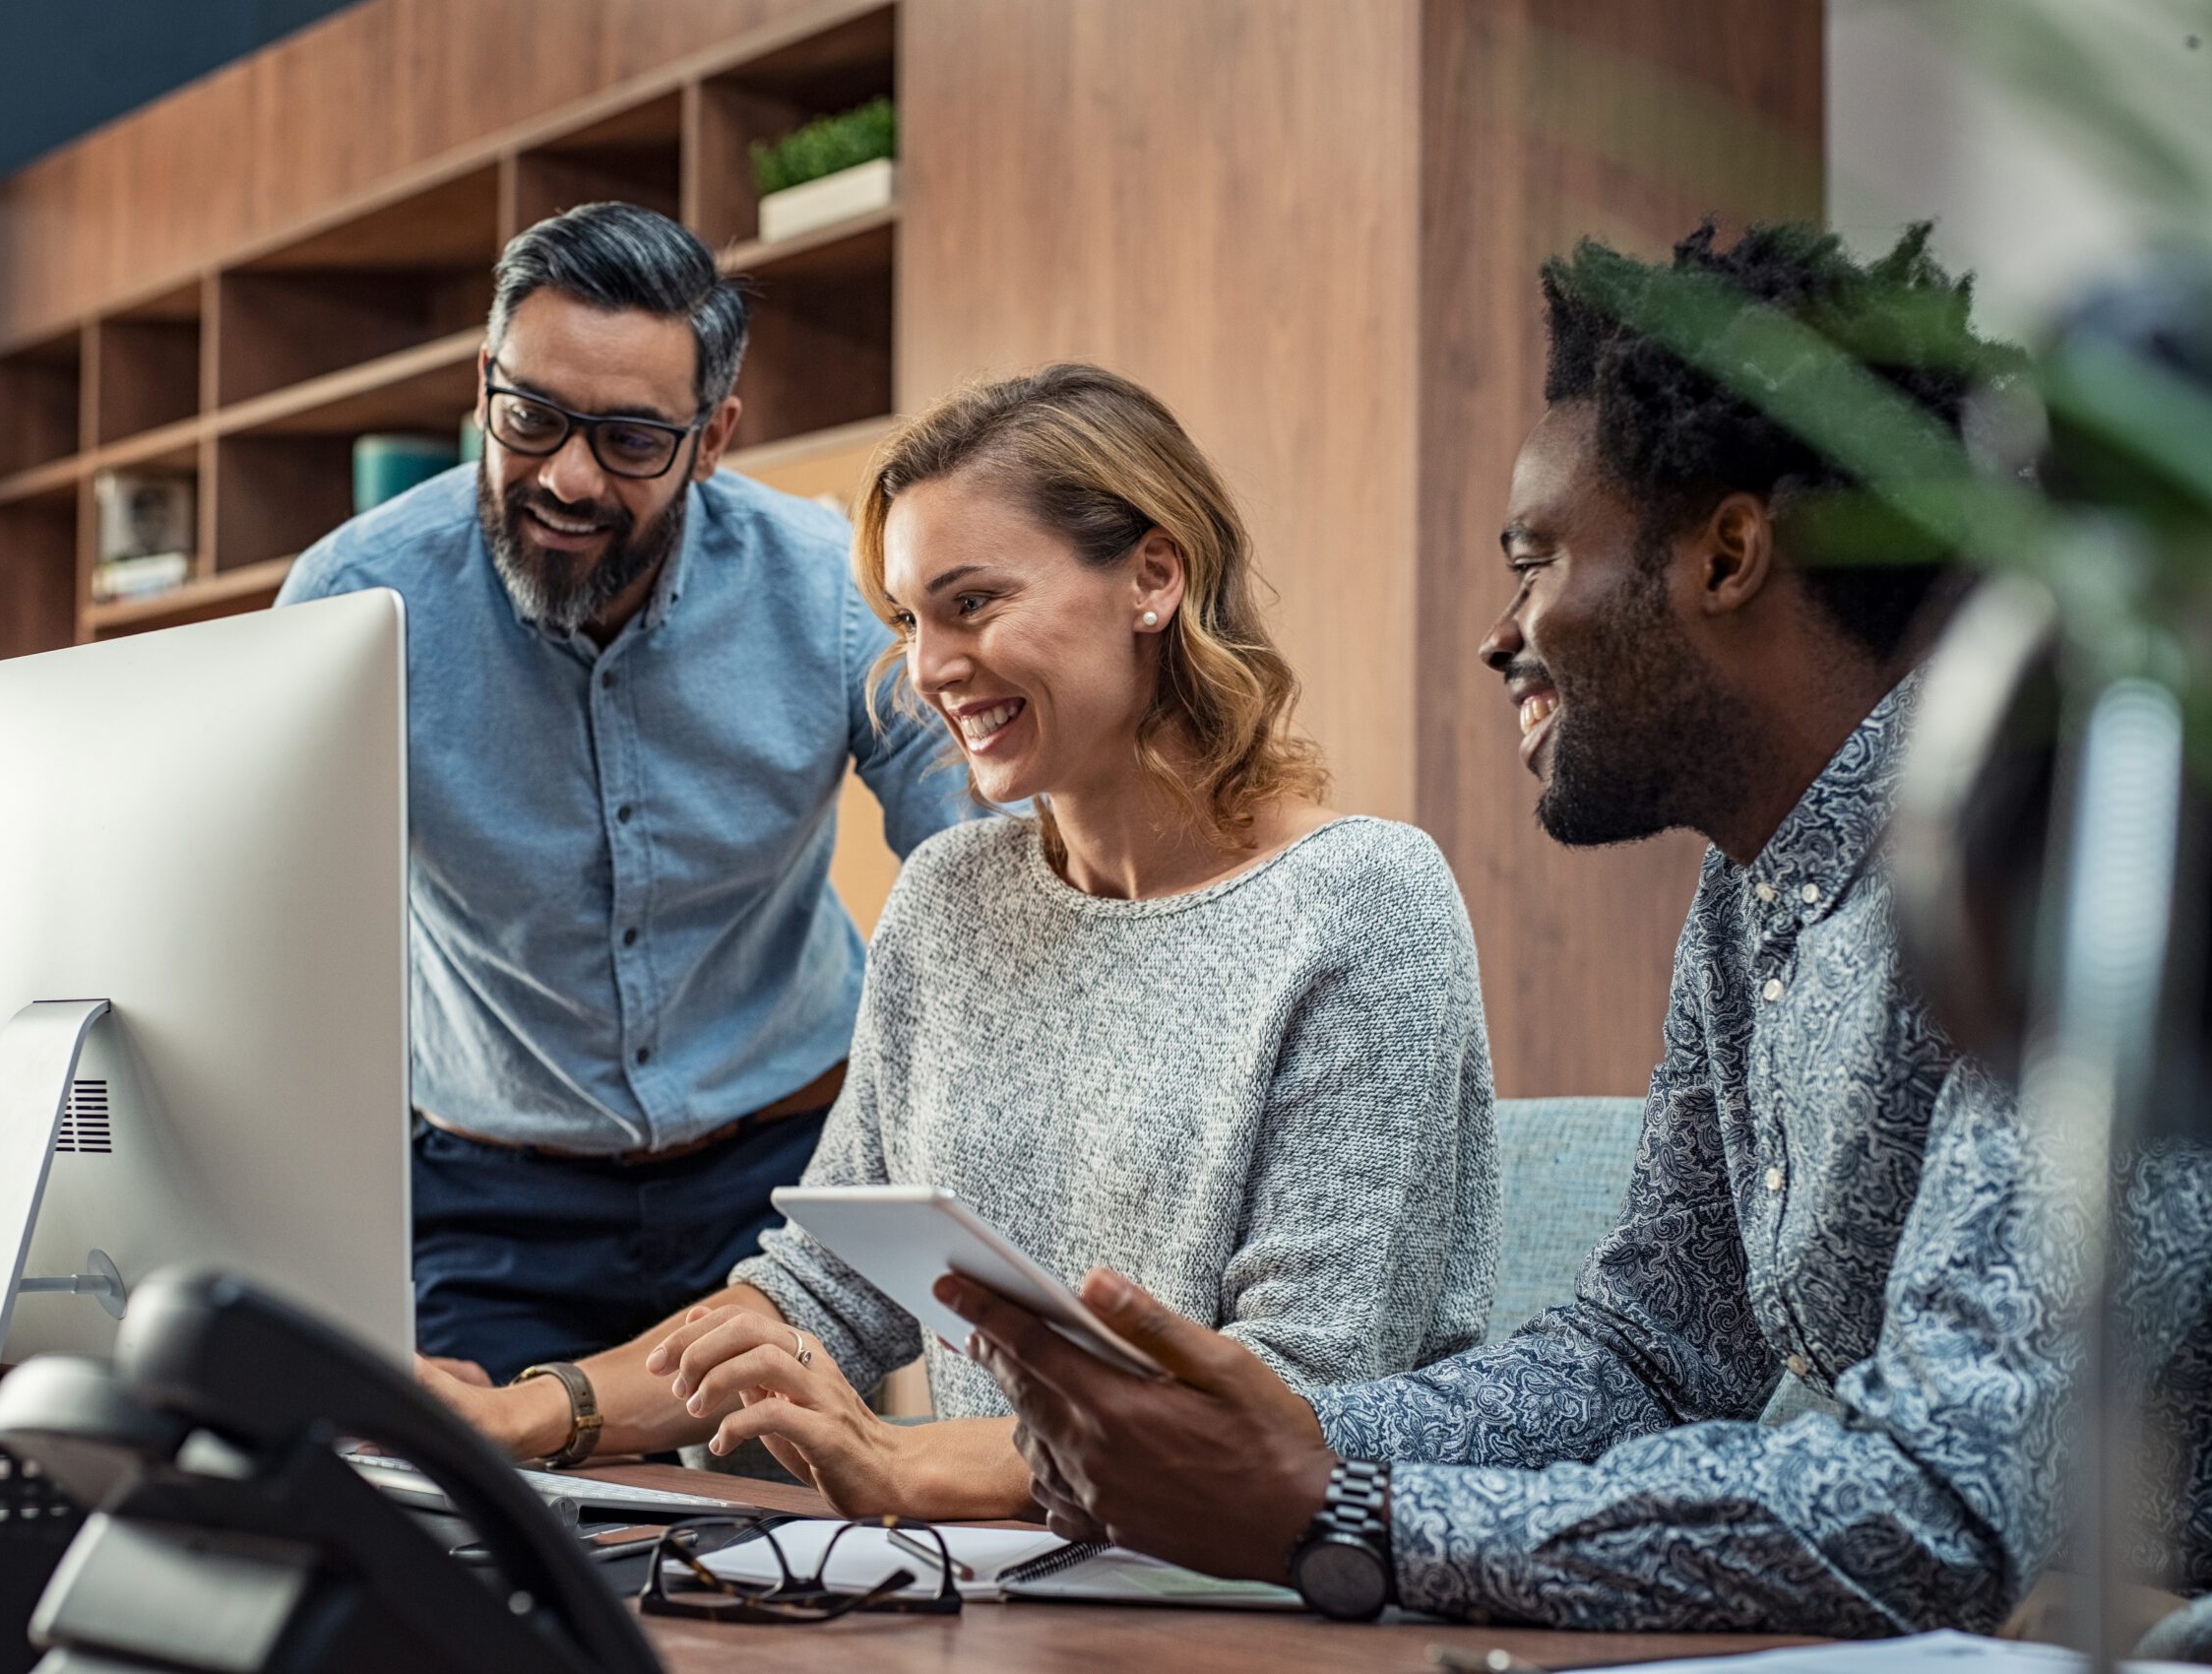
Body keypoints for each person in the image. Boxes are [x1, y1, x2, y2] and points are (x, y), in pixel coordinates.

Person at [944, 223, 2212, 1634]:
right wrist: (1268, 1442)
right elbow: (1652, 1357)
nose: (1504, 635)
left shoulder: (2065, 835)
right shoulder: (1752, 897)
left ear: (1727, 554)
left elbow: (1934, 1503)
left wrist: (1337, 1515)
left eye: (1534, 558)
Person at [418, 362, 1500, 1519]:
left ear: (1152, 575)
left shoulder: (1363, 901)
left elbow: (1300, 1396)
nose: (927, 668)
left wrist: (908, 1462)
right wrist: (531, 1411)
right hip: (1003, 1573)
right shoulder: (947, 896)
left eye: (973, 602)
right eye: (907, 619)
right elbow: (820, 1292)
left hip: (1269, 1579)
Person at [276, 202, 974, 1395]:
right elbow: (275, 947)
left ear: (712, 438)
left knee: (799, 1557)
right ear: (484, 378)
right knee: (485, 1541)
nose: (565, 475)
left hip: (783, 1177)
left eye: (632, 441)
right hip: (495, 1197)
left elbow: (981, 860)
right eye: (532, 416)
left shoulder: (823, 590)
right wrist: (324, 1268)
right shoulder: (352, 603)